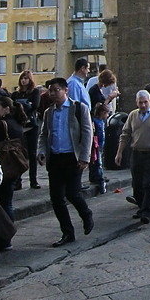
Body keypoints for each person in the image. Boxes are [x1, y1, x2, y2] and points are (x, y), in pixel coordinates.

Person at [37, 78, 94, 247]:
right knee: (56, 198)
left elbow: (87, 132)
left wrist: (85, 157)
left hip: (72, 158)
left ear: (65, 90)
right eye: (50, 91)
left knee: (72, 192)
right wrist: (41, 151)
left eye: (56, 90)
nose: (53, 94)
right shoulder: (49, 112)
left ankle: (86, 214)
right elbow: (43, 134)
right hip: (55, 158)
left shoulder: (78, 109)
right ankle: (67, 232)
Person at [116, 90, 150, 223]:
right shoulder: (133, 115)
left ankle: (146, 211)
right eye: (140, 103)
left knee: (148, 183)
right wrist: (119, 152)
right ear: (136, 103)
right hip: (137, 152)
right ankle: (141, 207)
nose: (143, 105)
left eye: (145, 102)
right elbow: (125, 134)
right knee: (137, 183)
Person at [0, 96, 28, 228]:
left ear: (6, 109)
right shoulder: (16, 122)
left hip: (3, 166)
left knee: (3, 203)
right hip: (14, 166)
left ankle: (5, 233)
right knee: (7, 201)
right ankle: (8, 234)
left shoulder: (1, 124)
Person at [11, 70, 41, 189]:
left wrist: (22, 106)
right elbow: (12, 107)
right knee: (19, 153)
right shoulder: (15, 94)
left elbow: (35, 106)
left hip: (31, 125)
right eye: (22, 78)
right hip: (19, 126)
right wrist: (24, 105)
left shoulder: (35, 92)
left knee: (32, 154)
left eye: (26, 78)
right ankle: (18, 181)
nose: (24, 80)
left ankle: (33, 180)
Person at [90, 103, 110, 194]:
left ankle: (94, 177)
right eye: (107, 113)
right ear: (102, 113)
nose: (108, 115)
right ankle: (100, 180)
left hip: (100, 144)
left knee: (97, 161)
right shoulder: (95, 121)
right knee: (97, 162)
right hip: (96, 144)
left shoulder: (102, 121)